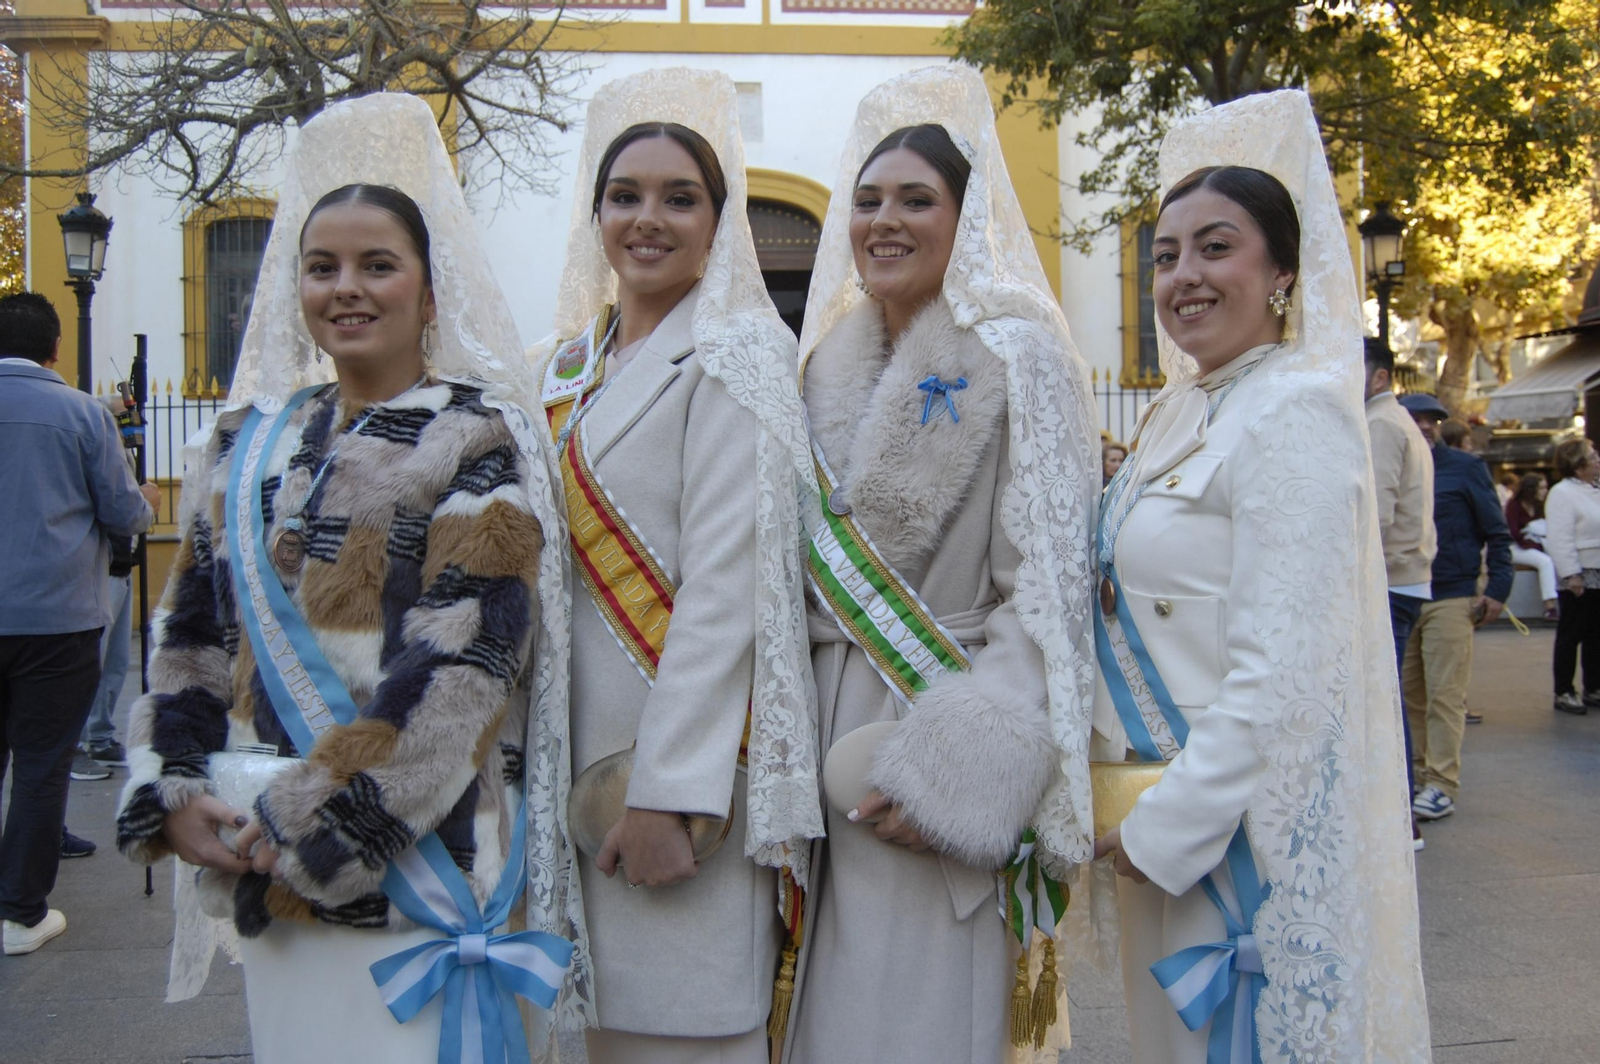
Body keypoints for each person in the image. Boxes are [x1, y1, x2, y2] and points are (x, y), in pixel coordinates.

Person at [114, 95, 570, 1062]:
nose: (346, 288)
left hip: (412, 874)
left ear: (430, 293)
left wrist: (318, 827)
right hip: (256, 864)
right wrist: (174, 787)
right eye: (322, 267)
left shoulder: (474, 440)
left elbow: (466, 669)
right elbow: (188, 638)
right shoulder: (245, 444)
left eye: (377, 265)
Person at [1088, 92, 1430, 1063]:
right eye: (1165, 255)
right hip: (1157, 809)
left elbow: (1285, 669)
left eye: (1216, 247)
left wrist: (1167, 828)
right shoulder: (1180, 411)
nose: (1184, 275)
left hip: (1232, 834)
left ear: (1283, 272)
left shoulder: (1295, 409)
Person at [783, 67, 1098, 1064]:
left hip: (931, 723)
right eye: (868, 200)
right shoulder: (821, 365)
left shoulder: (1018, 357)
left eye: (916, 200)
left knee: (912, 1021)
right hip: (817, 735)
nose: (885, 220)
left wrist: (961, 771)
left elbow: (1047, 588)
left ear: (967, 222)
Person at [527, 69, 820, 1064]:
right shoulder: (562, 367)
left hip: (673, 779)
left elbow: (729, 590)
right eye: (625, 195)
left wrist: (669, 793)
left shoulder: (738, 352)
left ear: (717, 225)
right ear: (597, 216)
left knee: (680, 1030)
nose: (647, 218)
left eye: (678, 198)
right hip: (564, 762)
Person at [0, 291, 160, 955]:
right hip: (56, 618)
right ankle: (20, 913)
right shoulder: (80, 414)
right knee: (42, 765)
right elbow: (125, 514)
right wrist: (147, 501)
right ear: (55, 347)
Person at [1398, 392, 1513, 820]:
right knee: (1409, 694)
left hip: (1451, 593)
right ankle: (1417, 776)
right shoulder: (1391, 463)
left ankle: (1441, 783)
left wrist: (1498, 588)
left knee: (1445, 695)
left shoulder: (1465, 468)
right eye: (1416, 419)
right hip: (1406, 593)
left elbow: (1496, 531)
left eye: (1433, 419)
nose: (1425, 426)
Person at [1364, 337, 1436, 852]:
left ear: (1381, 376)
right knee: (1386, 699)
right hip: (1403, 577)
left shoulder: (1383, 424)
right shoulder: (1396, 420)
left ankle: (1400, 816)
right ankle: (1399, 813)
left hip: (1389, 579)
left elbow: (1375, 515)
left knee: (1383, 701)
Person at [1542, 438, 1600, 714]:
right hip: (1579, 572)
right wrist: (1571, 573)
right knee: (1572, 633)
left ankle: (1594, 686)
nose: (1598, 459)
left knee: (1596, 633)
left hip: (1598, 570)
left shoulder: (1595, 488)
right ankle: (1564, 690)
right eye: (1592, 455)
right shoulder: (1562, 493)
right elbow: (1560, 537)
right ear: (1578, 466)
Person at [1506, 472, 1559, 619]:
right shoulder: (1514, 505)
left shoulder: (1540, 505)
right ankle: (1550, 606)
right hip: (1516, 547)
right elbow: (1513, 532)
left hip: (1535, 545)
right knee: (1545, 562)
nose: (1545, 491)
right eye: (1541, 488)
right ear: (1531, 489)